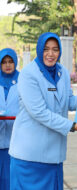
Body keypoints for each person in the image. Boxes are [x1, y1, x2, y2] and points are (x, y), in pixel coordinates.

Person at [8, 32, 77, 190]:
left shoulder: (62, 72)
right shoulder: (29, 74)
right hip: (30, 157)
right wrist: (73, 126)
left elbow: (68, 101)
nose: (50, 54)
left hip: (53, 156)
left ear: (60, 51)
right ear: (39, 49)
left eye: (55, 49)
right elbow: (39, 112)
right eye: (46, 49)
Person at [0, 48, 19, 190]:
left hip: (16, 144)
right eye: (4, 62)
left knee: (12, 181)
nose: (7, 65)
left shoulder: (23, 81)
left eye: (11, 61)